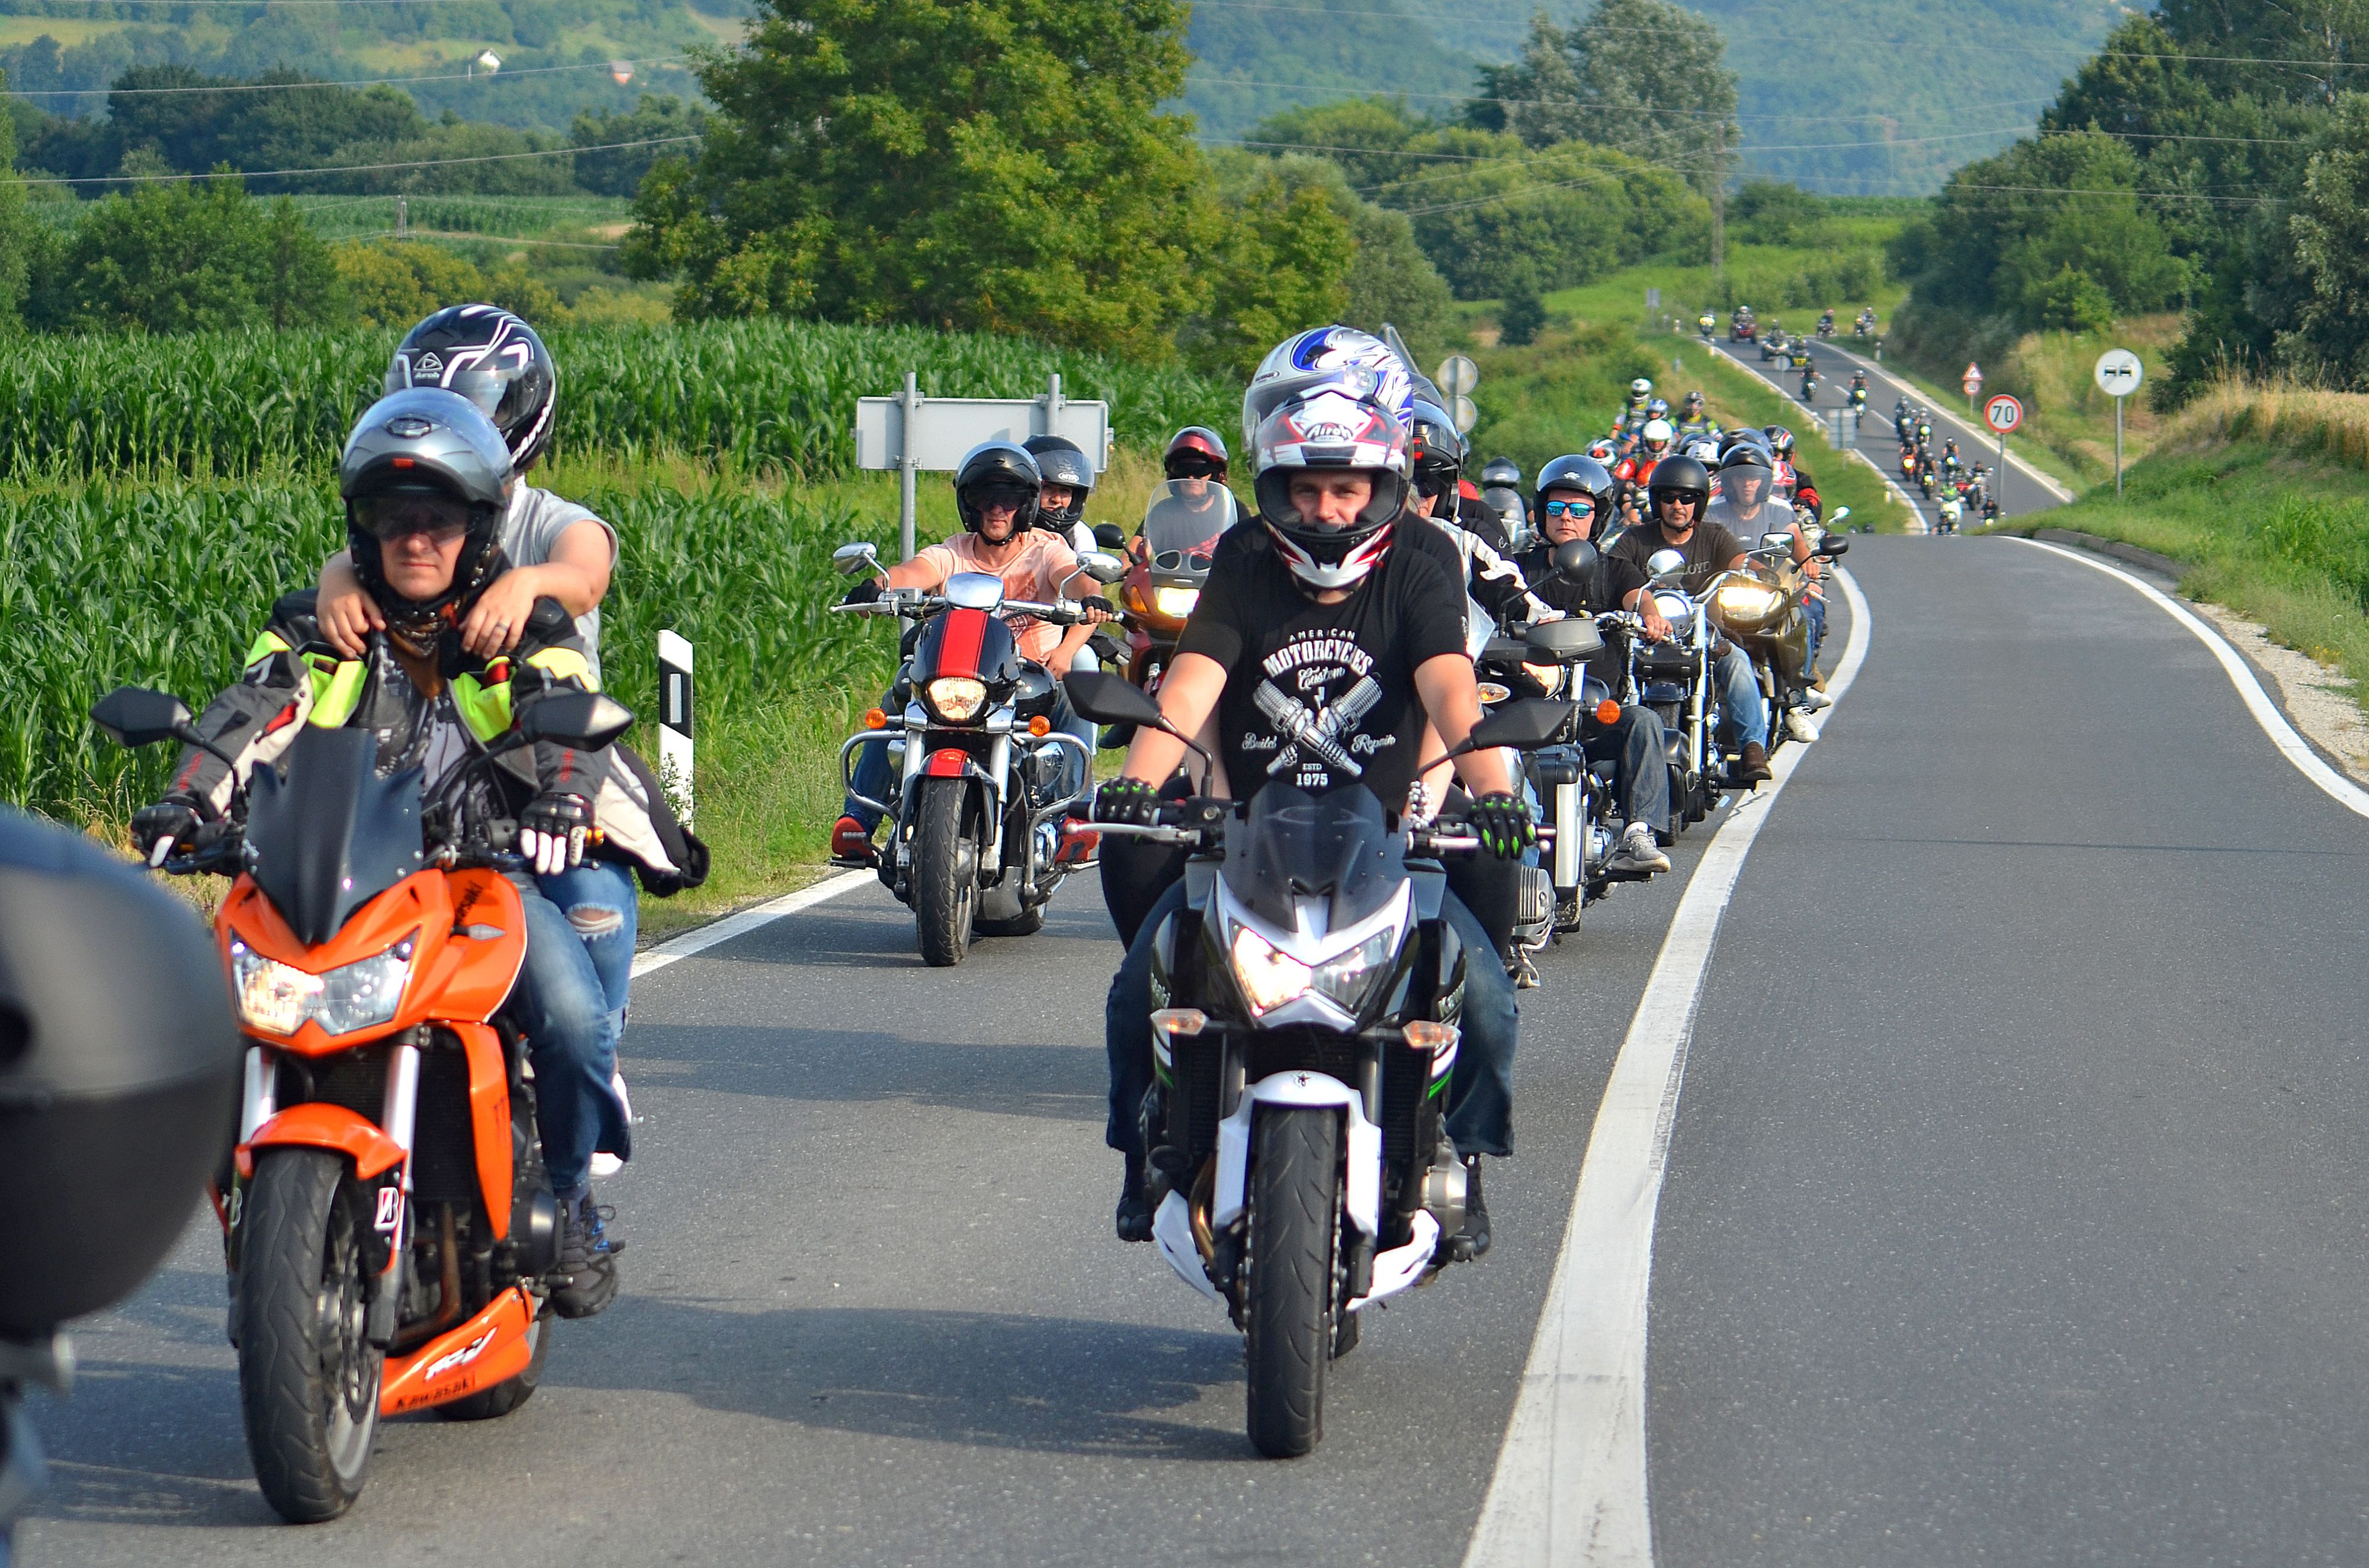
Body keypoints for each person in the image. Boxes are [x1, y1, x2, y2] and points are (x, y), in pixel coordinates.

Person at [136, 390, 637, 1317]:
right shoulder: (318, 629)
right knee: (198, 1022)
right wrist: (187, 798)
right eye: (391, 517)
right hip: (333, 880)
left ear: (477, 527)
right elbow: (253, 712)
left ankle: (567, 1198)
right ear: (361, 529)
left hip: (483, 878)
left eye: (438, 519)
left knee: (571, 1017)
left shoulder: (522, 629)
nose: (416, 539)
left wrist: (564, 793)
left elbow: (565, 710)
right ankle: (263, 1206)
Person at [1099, 370, 1530, 1256]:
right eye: (1307, 489)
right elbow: (1189, 686)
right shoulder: (1246, 561)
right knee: (1138, 985)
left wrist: (1494, 794)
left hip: (1387, 833)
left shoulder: (1421, 564)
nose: (1328, 509)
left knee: (1483, 1000)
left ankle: (1463, 1154)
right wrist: (1140, 781)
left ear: (1381, 486)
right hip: (1252, 831)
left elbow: (1451, 688)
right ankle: (1145, 1153)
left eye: (1346, 488)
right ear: (1276, 489)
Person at [833, 442, 1110, 862]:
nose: (997, 509)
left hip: (1027, 675)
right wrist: (882, 584)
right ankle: (858, 821)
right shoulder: (953, 552)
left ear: (1027, 505)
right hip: (960, 674)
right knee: (899, 694)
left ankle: (1072, 817)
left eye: (1010, 499)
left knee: (1073, 694)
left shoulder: (1047, 548)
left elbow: (1072, 578)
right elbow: (915, 571)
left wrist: (1091, 595)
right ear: (970, 504)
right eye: (986, 498)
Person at [1520, 455, 1671, 875]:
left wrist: (1651, 616)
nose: (1566, 517)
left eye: (1579, 509)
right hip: (1530, 708)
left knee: (1643, 721)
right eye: (1556, 508)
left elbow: (1637, 596)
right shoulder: (1520, 568)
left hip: (1595, 711)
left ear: (1598, 516)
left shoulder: (1614, 570)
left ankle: (1638, 833)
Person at [1607, 454, 1771, 784]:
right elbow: (1612, 568)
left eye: (1687, 498)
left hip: (1704, 633)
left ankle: (1752, 746)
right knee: (1611, 668)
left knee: (1738, 661)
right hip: (1647, 636)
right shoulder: (1637, 539)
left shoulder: (1713, 536)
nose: (1677, 505)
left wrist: (1760, 573)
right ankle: (1607, 747)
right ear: (1657, 501)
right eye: (1668, 498)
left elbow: (1739, 560)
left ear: (1700, 502)